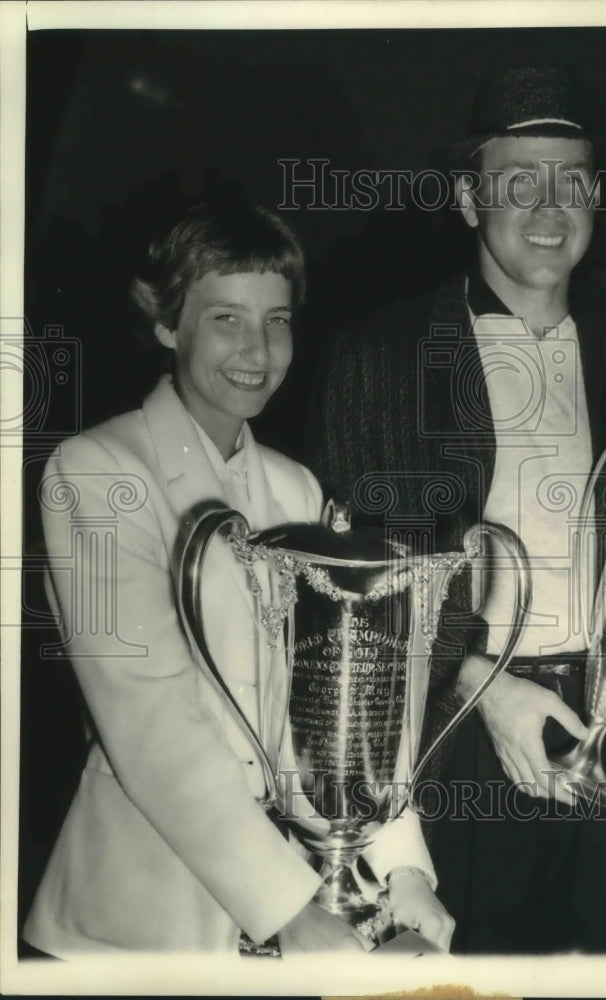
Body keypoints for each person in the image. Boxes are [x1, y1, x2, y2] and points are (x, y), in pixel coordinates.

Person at [309, 68, 606, 954]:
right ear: (468, 200)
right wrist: (483, 691)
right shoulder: (380, 355)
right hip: (452, 741)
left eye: (571, 180)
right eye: (517, 182)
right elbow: (353, 599)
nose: (549, 208)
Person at [23, 202, 453, 957]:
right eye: (226, 317)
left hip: (301, 905)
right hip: (139, 922)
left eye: (277, 320)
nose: (258, 348)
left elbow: (352, 703)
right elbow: (148, 722)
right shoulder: (95, 472)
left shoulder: (296, 489)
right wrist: (287, 910)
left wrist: (403, 869)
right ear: (166, 325)